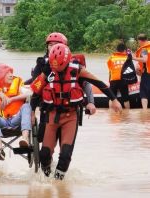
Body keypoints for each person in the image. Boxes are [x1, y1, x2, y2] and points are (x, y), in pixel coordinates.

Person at [30, 43, 122, 180]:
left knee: (65, 156)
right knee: (44, 154)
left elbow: (99, 83)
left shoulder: (78, 70)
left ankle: (59, 184)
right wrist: (32, 112)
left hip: (70, 116)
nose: (57, 70)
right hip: (52, 115)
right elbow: (36, 91)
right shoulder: (48, 70)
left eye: (60, 66)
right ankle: (46, 182)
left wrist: (114, 99)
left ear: (66, 61)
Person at [27, 32, 96, 142]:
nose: (53, 47)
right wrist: (32, 111)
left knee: (65, 142)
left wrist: (91, 102)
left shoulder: (74, 64)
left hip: (69, 107)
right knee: (42, 137)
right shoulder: (42, 64)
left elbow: (86, 83)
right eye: (50, 45)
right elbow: (36, 86)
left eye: (56, 44)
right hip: (48, 105)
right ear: (47, 47)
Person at [0, 64, 32, 160]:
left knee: (26, 106)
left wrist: (12, 99)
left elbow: (30, 93)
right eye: (8, 73)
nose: (11, 75)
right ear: (0, 75)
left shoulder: (17, 82)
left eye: (11, 73)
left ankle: (25, 139)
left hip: (16, 120)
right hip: (1, 121)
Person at [107, 42, 130, 109]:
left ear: (117, 50)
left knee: (112, 98)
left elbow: (110, 70)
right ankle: (128, 114)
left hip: (113, 79)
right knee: (126, 99)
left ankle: (111, 113)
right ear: (124, 50)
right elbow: (129, 70)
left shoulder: (111, 58)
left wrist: (110, 80)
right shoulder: (126, 58)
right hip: (123, 79)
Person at [133, 33, 150, 109]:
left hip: (147, 72)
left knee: (144, 92)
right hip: (146, 71)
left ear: (139, 41)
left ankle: (145, 111)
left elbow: (145, 59)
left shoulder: (144, 49)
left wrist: (133, 58)